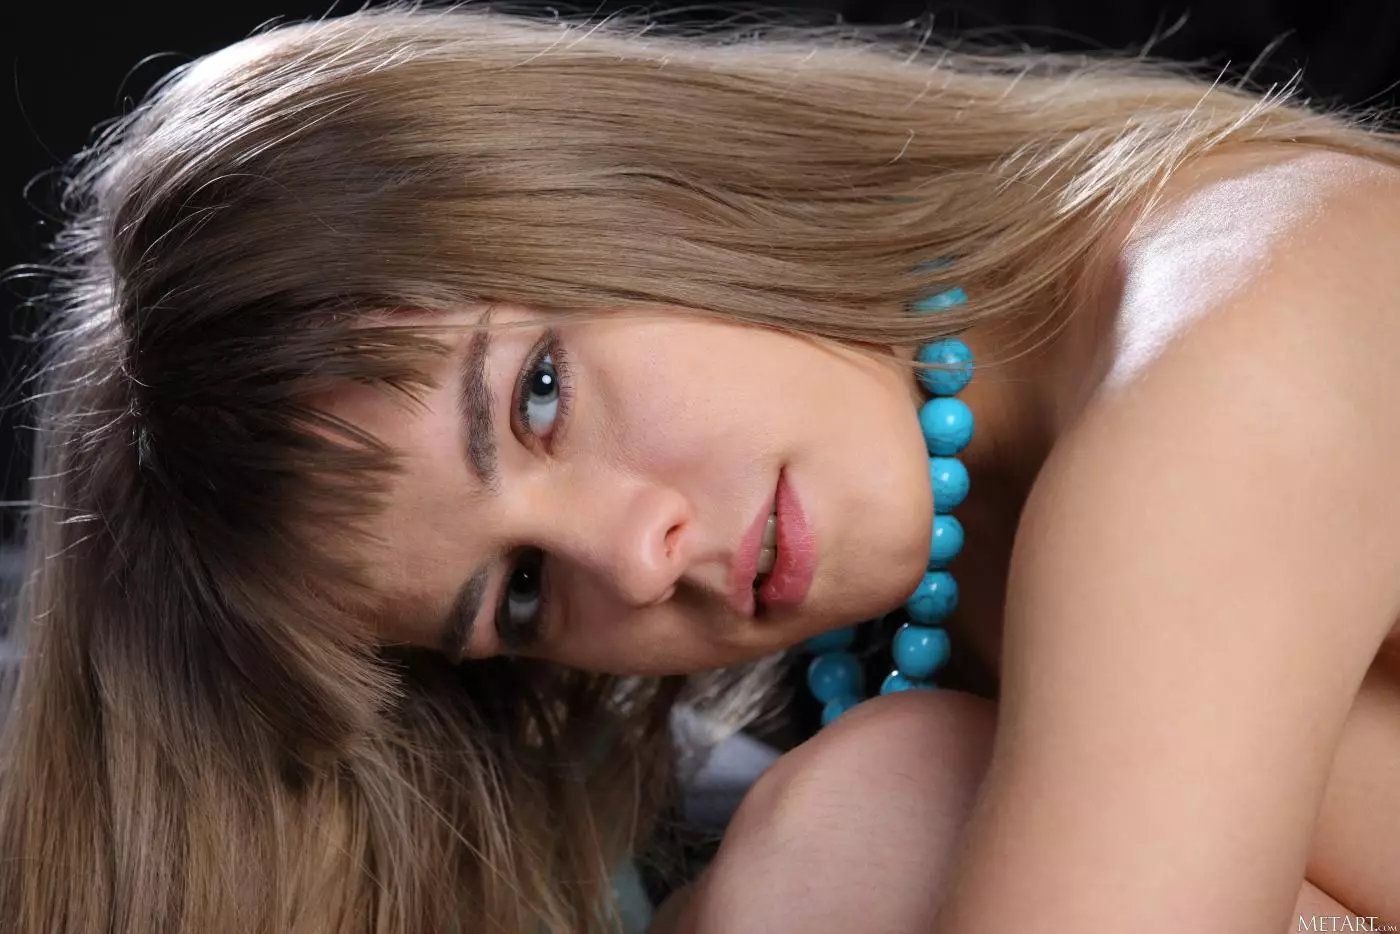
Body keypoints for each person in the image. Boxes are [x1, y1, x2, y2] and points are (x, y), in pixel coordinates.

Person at [2, 3, 1398, 932]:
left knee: (867, 827)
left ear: (627, 193)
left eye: (539, 395)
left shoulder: (1228, 343)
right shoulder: (952, 587)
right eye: (522, 591)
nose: (635, 557)